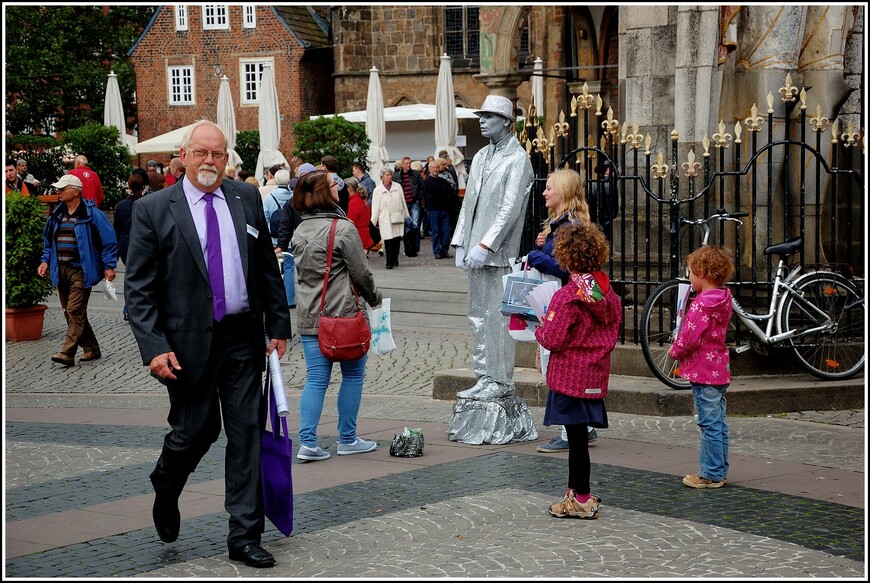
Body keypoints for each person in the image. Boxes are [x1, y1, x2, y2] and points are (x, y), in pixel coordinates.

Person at [124, 120, 290, 569]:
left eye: (218, 154)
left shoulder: (246, 197)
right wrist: (154, 347)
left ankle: (244, 535)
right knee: (195, 432)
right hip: (185, 344)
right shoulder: (155, 209)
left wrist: (278, 324)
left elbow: (264, 270)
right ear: (184, 154)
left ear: (227, 158)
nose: (210, 162)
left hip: (241, 338)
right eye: (201, 153)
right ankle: (166, 481)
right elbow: (138, 290)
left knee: (246, 435)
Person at [291, 170, 383, 462]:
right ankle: (347, 438)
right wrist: (375, 299)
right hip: (342, 314)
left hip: (310, 314)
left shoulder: (300, 230)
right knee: (353, 374)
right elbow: (362, 273)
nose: (339, 187)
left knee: (316, 378)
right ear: (324, 192)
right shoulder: (342, 229)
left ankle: (307, 442)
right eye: (334, 185)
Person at [534, 222, 621, 519]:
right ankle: (575, 492)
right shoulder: (606, 294)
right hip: (594, 374)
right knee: (579, 437)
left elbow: (553, 338)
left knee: (576, 441)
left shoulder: (567, 296)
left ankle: (581, 498)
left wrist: (542, 326)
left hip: (570, 376)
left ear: (565, 257)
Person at [450, 94, 534, 401]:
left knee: (497, 318)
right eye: (481, 116)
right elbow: (468, 203)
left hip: (497, 253)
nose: (482, 121)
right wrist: (461, 241)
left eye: (488, 116)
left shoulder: (518, 159)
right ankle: (483, 375)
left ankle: (500, 380)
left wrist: (486, 244)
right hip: (475, 251)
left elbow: (510, 210)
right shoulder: (481, 157)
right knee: (477, 315)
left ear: (506, 122)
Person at [524, 169, 599, 453]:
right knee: (555, 365)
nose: (544, 193)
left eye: (549, 188)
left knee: (560, 367)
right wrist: (541, 246)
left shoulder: (571, 225)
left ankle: (572, 430)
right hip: (559, 302)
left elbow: (568, 267)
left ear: (564, 192)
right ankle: (583, 426)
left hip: (567, 305)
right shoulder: (559, 223)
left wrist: (536, 257)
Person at [669, 245, 735, 489]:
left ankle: (711, 473)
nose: (688, 277)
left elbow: (690, 337)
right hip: (719, 368)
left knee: (708, 423)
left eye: (690, 272)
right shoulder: (723, 299)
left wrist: (675, 351)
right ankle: (719, 468)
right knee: (718, 422)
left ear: (702, 273)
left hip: (703, 371)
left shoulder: (701, 304)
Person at [37, 174, 118, 366]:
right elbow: (49, 242)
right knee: (70, 311)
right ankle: (91, 348)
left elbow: (109, 242)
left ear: (76, 191)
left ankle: (67, 352)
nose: (58, 192)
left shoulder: (92, 214)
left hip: (82, 269)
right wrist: (45, 261)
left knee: (74, 310)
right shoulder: (57, 214)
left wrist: (109, 266)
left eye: (62, 189)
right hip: (61, 268)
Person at [277, 166, 313, 311]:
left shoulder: (294, 202)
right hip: (312, 244)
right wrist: (282, 244)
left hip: (303, 243)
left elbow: (285, 225)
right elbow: (285, 226)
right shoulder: (295, 202)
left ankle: (305, 302)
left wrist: (282, 245)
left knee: (304, 275)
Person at [113, 172, 147, 321]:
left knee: (131, 277)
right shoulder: (147, 202)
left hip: (126, 246)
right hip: (144, 245)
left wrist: (114, 251)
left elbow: (117, 229)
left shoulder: (122, 205)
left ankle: (129, 308)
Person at [263, 169, 294, 308]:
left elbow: (264, 218)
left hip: (274, 240)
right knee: (289, 267)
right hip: (291, 238)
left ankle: (275, 298)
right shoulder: (293, 197)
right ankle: (289, 299)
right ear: (288, 181)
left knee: (274, 269)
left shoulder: (269, 198)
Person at [370, 167, 409, 269]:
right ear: (382, 177)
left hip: (397, 215)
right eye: (387, 175)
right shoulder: (377, 190)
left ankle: (395, 259)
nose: (390, 177)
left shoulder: (398, 186)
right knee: (388, 238)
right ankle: (389, 262)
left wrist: (407, 215)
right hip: (385, 217)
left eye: (391, 174)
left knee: (396, 238)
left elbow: (403, 201)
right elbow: (375, 207)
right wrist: (372, 222)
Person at [424, 159, 455, 259]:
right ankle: (437, 251)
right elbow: (425, 194)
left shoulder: (443, 181)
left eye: (437, 168)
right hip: (433, 209)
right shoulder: (427, 182)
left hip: (444, 209)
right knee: (436, 231)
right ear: (430, 169)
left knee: (446, 231)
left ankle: (444, 250)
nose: (436, 169)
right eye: (433, 168)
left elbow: (451, 191)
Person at [395, 156, 425, 257]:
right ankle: (408, 249)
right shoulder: (397, 176)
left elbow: (422, 187)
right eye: (406, 163)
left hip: (414, 202)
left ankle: (415, 248)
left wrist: (418, 198)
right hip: (403, 204)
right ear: (402, 165)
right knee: (407, 227)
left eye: (409, 163)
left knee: (415, 225)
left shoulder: (415, 174)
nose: (408, 165)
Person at [344, 176, 375, 252]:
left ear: (350, 188)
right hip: (364, 235)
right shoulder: (362, 200)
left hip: (357, 237)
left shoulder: (353, 202)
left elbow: (350, 222)